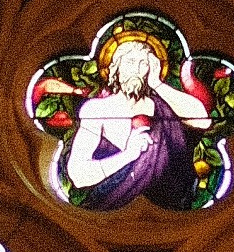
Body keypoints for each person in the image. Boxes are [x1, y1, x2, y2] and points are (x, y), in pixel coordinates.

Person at [51, 29, 217, 211]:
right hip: (108, 210)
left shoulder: (164, 106)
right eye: (130, 62)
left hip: (171, 207)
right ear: (116, 68)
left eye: (144, 63)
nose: (137, 70)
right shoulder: (96, 109)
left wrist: (158, 84)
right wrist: (127, 156)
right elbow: (79, 175)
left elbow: (203, 121)